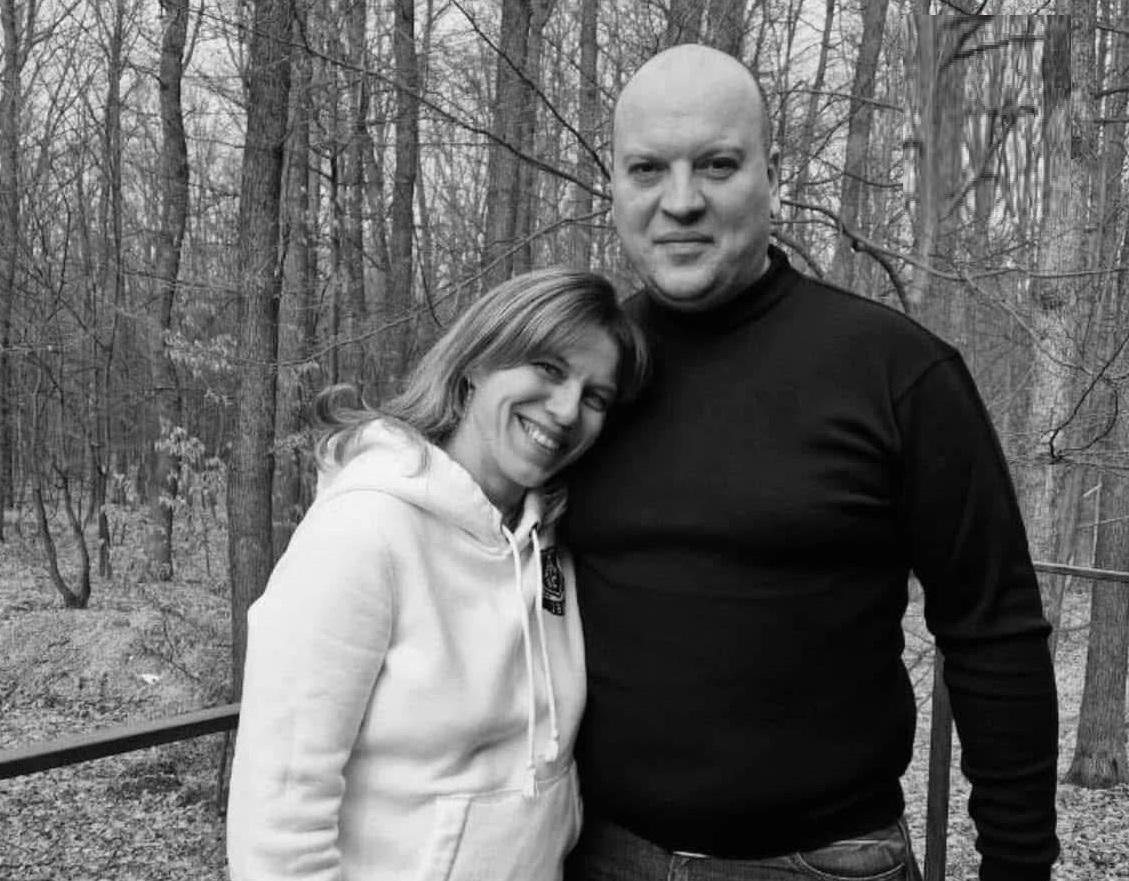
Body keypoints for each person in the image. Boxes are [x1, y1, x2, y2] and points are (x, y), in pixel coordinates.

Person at [562, 44, 1059, 881]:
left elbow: (993, 630)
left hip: (822, 862)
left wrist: (1017, 866)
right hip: (596, 852)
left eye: (716, 164)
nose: (679, 200)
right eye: (647, 168)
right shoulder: (578, 381)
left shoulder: (896, 372)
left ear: (772, 174)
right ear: (613, 184)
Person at [226, 267, 648, 881]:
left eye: (595, 397)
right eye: (549, 369)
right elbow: (277, 824)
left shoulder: (549, 541)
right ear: (477, 363)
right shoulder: (364, 530)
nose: (565, 410)